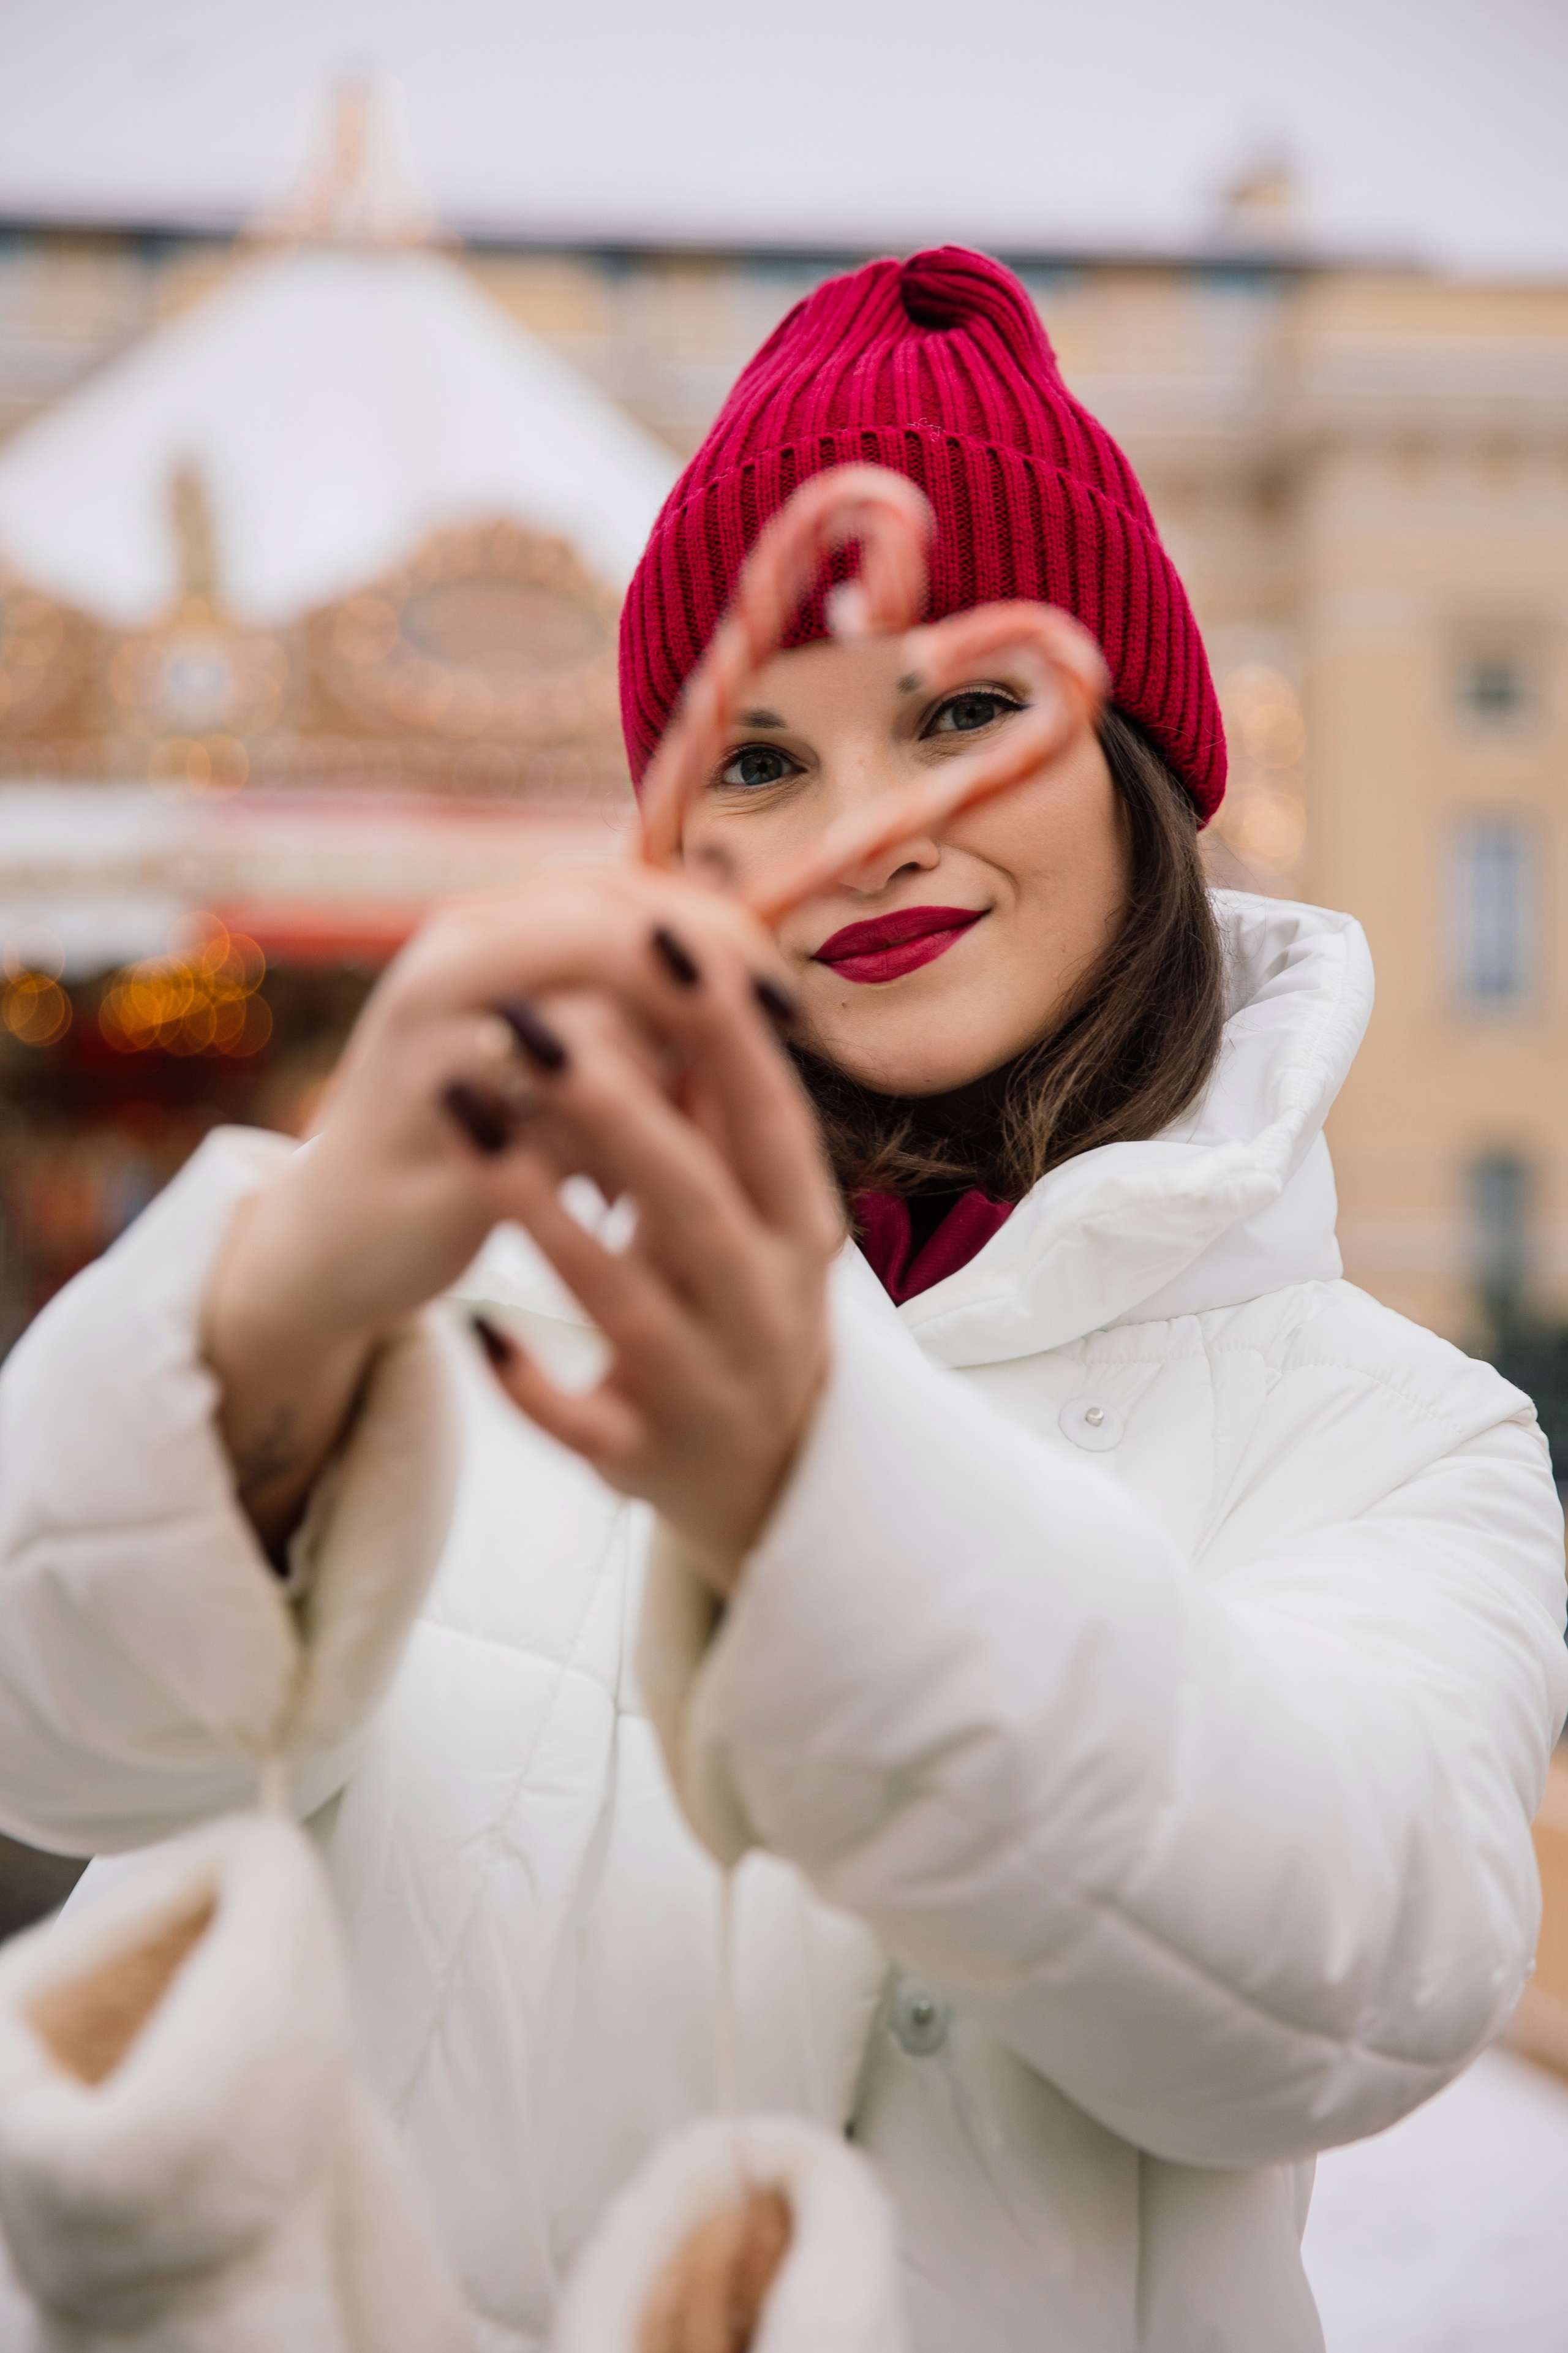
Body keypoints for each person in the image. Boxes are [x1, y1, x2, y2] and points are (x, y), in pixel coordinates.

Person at [0, 247, 1563, 2353]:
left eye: (966, 713)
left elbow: (1342, 1987)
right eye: (755, 760)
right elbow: (50, 1740)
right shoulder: (444, 1309)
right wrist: (259, 1329)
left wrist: (833, 1493)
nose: (860, 837)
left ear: (1150, 768)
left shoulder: (1401, 1430)